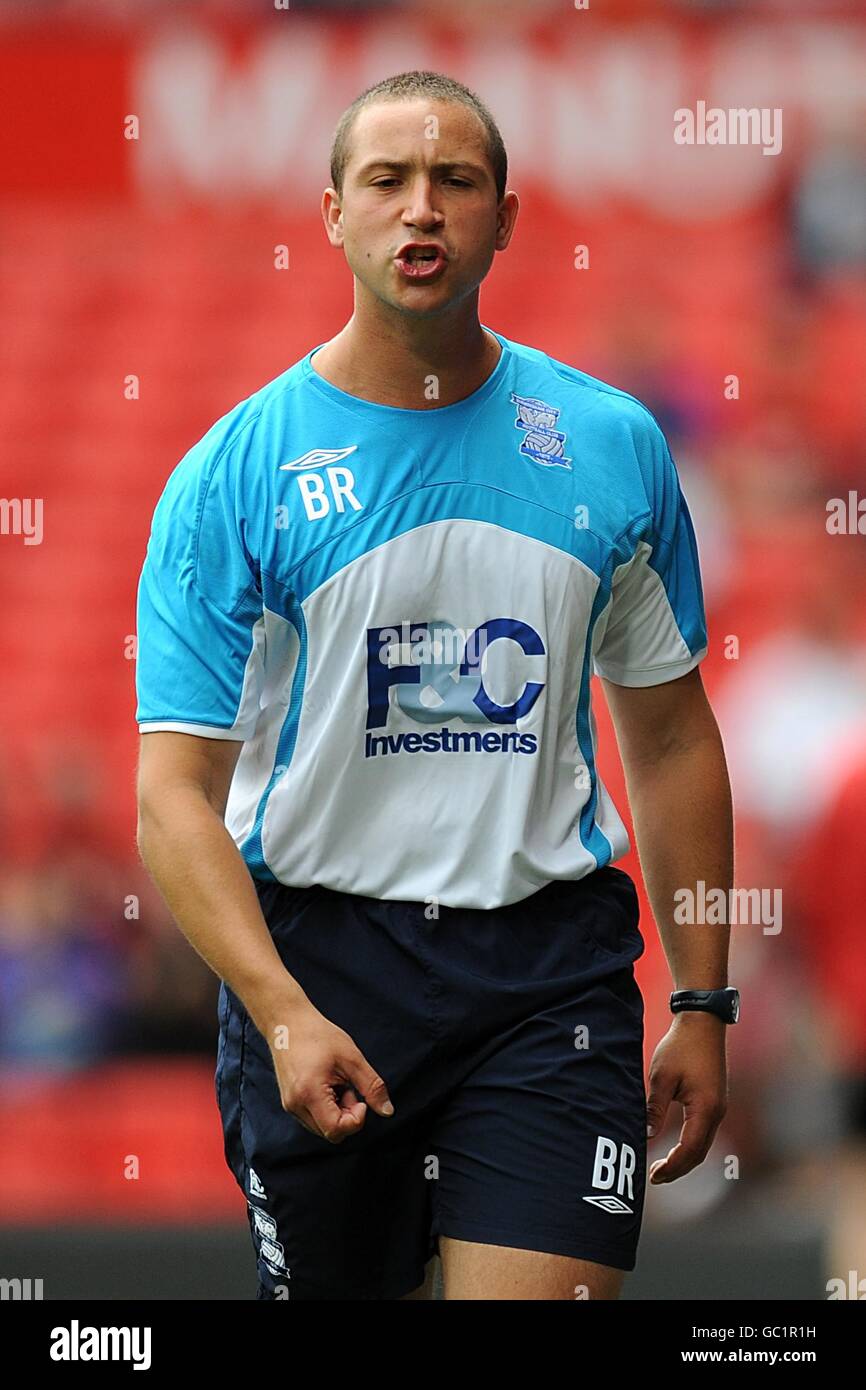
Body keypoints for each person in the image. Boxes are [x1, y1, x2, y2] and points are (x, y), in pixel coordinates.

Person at [134, 70, 735, 1302]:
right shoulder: (232, 475)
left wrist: (703, 996)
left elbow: (670, 738)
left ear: (503, 218)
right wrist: (282, 1011)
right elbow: (171, 797)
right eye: (388, 182)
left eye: (455, 181)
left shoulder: (610, 445)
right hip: (323, 969)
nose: (421, 210)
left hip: (547, 980)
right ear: (331, 214)